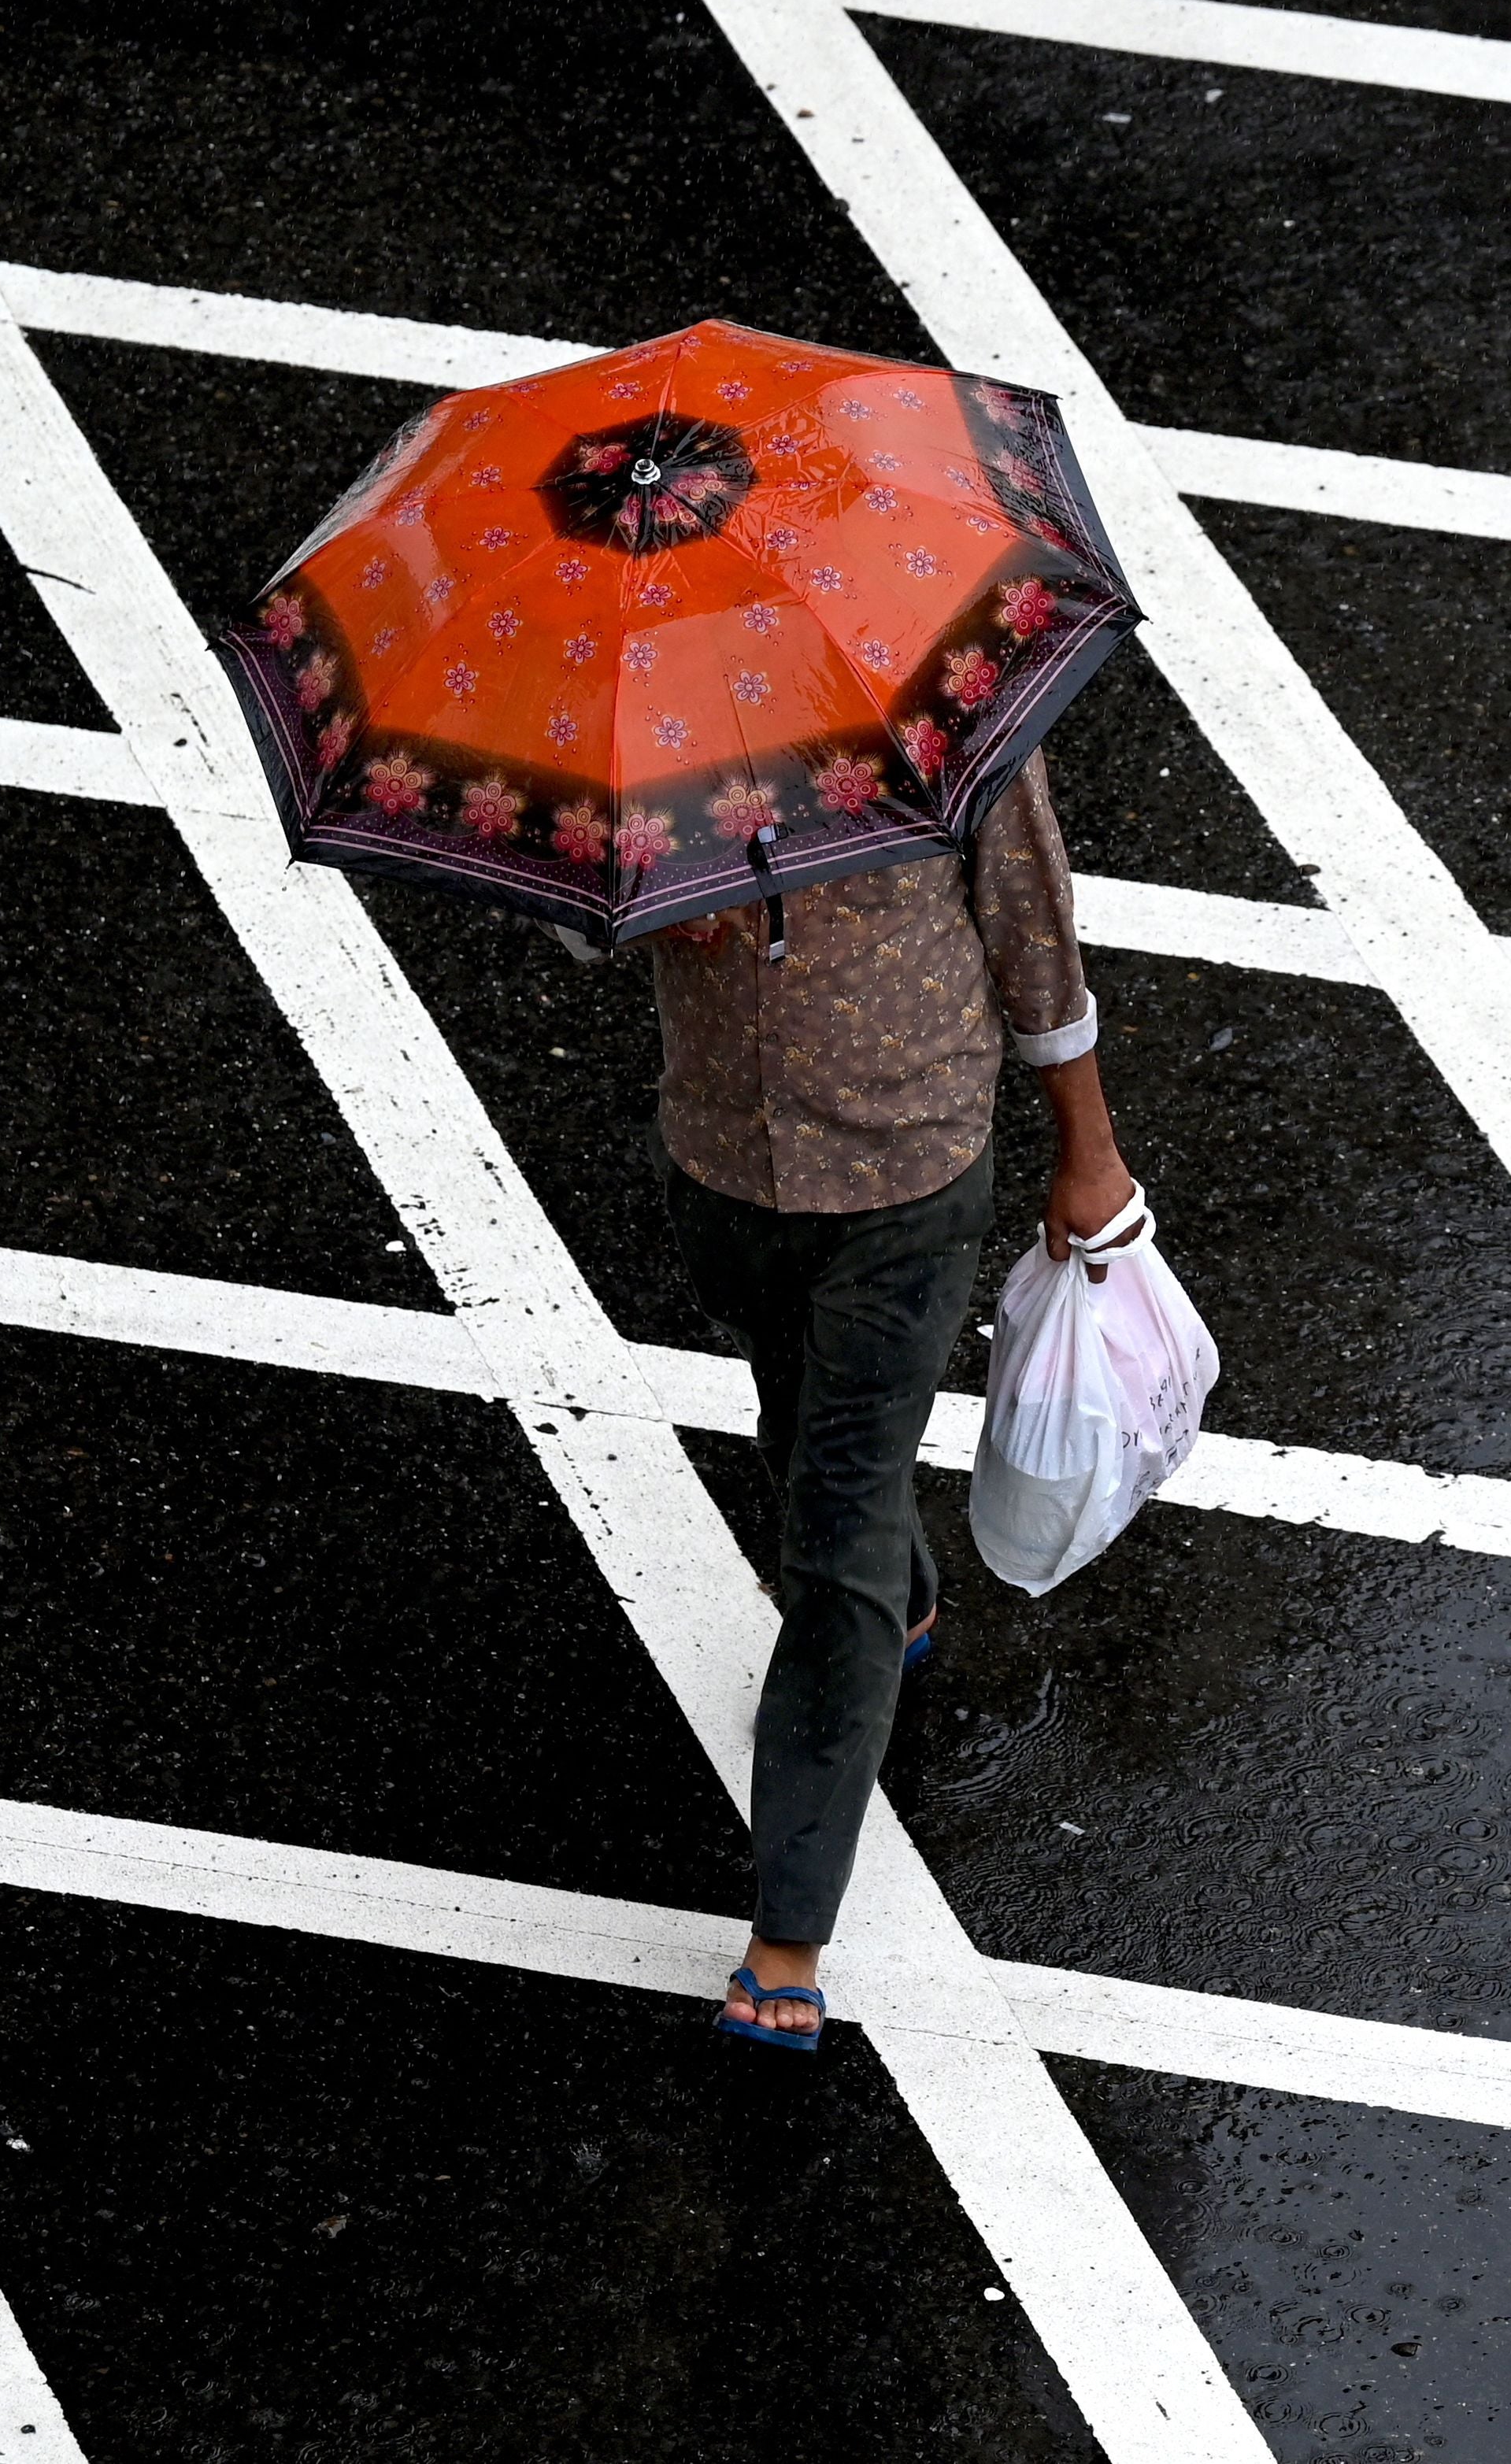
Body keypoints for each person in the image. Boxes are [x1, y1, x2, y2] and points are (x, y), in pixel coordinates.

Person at [643, 749, 1134, 2052]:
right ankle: (903, 1600)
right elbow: (591, 923)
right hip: (724, 1175)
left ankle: (787, 1930)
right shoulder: (642, 731)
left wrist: (1087, 1149)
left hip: (905, 1182)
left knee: (837, 1529)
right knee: (796, 1433)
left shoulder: (939, 704)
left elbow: (1033, 933)